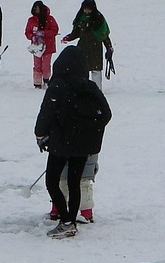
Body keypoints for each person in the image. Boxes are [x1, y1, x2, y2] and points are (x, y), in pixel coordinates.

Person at [36, 44, 113, 237]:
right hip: (83, 145)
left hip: (60, 143)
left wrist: (40, 134)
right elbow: (106, 114)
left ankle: (66, 220)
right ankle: (70, 220)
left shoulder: (58, 85)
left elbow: (46, 113)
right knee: (74, 182)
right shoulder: (90, 86)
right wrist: (90, 130)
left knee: (52, 181)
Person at [64, 0, 112, 85]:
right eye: (85, 8)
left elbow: (104, 36)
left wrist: (109, 47)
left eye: (88, 9)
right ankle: (83, 88)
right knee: (82, 69)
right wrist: (68, 37)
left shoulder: (99, 19)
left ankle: (97, 89)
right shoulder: (80, 18)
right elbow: (76, 32)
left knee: (96, 70)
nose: (86, 11)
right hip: (82, 47)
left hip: (95, 48)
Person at [27, 0, 59, 89]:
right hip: (36, 46)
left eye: (38, 9)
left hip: (48, 46)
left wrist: (43, 33)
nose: (36, 11)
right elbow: (27, 32)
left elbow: (54, 30)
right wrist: (32, 37)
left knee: (45, 65)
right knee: (37, 65)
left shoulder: (50, 19)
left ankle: (46, 79)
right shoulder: (31, 20)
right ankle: (37, 82)